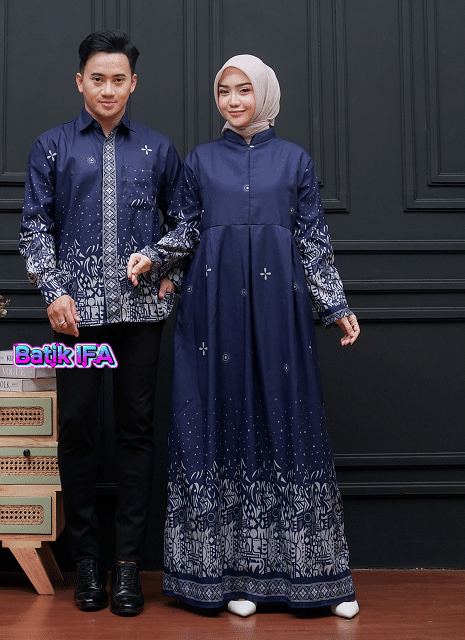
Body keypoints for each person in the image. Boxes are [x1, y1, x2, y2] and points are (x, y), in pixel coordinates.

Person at [127, 54, 360, 619]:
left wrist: (335, 304)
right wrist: (154, 258)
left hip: (281, 312)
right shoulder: (201, 160)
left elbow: (313, 240)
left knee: (287, 422)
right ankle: (228, 578)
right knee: (219, 424)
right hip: (214, 312)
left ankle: (317, 577)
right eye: (224, 91)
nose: (232, 101)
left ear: (265, 95)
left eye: (243, 90)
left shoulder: (295, 160)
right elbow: (186, 229)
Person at [19, 29, 183, 617]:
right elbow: (35, 227)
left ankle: (128, 566)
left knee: (137, 430)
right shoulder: (52, 147)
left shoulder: (159, 149)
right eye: (97, 79)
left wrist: (163, 264)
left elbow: (187, 222)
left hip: (140, 316)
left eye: (118, 79)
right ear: (80, 82)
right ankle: (86, 561)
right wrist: (54, 291)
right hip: (74, 320)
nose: (107, 89)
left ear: (132, 83)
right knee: (78, 428)